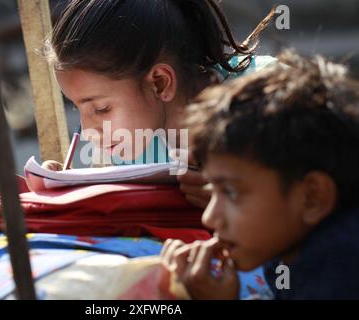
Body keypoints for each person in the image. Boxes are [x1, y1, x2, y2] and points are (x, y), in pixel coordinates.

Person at [42, 0, 277, 209]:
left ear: (160, 83)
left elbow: (306, 204)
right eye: (77, 107)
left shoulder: (267, 97)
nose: (89, 131)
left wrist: (238, 198)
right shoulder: (133, 146)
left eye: (102, 109)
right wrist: (75, 189)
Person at [161, 51, 359, 299]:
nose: (210, 219)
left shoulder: (337, 265)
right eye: (212, 191)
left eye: (231, 192)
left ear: (312, 197)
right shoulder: (288, 246)